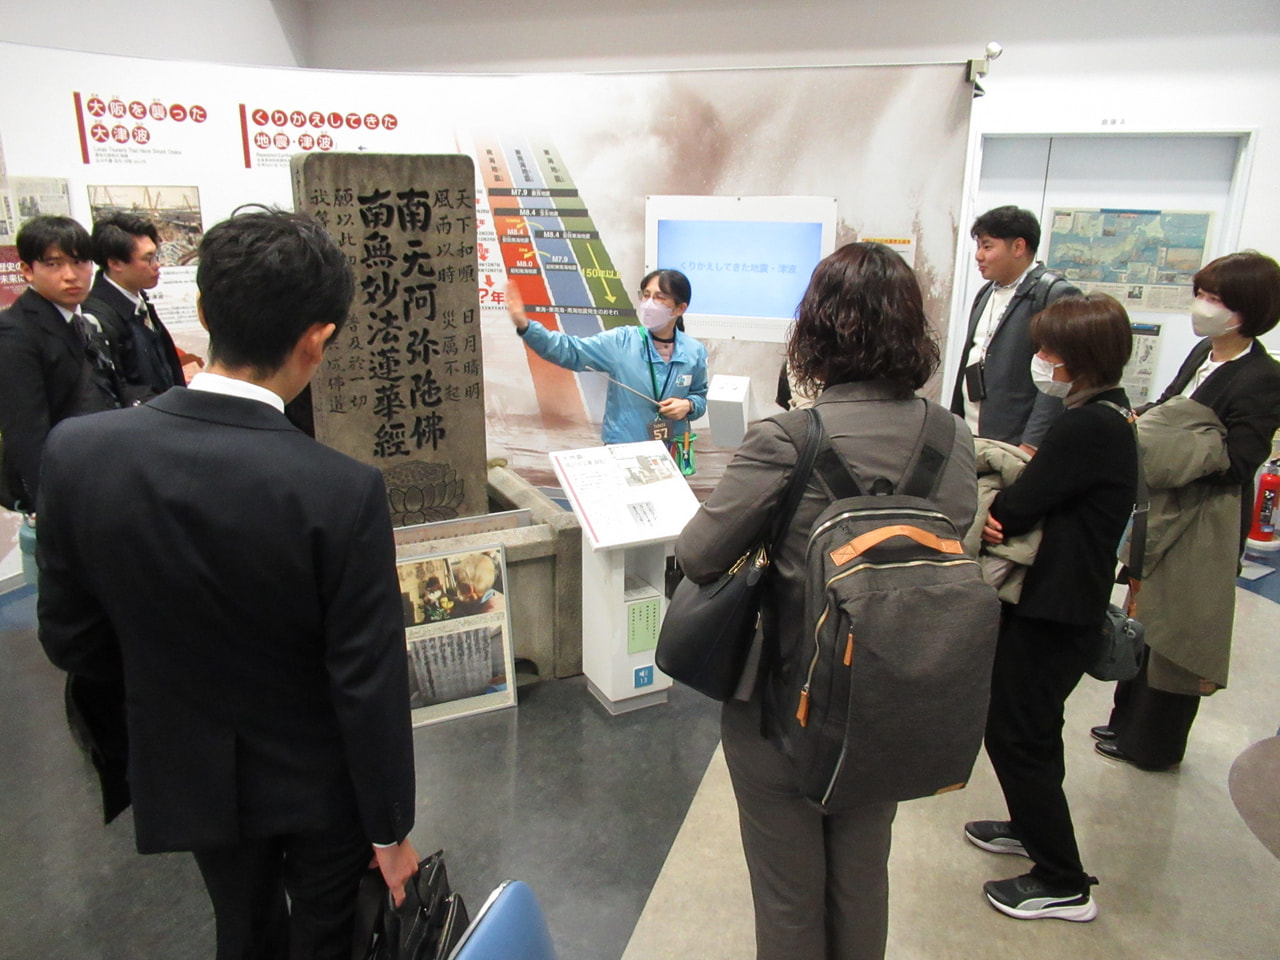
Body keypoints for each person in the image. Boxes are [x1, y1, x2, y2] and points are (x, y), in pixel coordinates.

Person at [36, 207, 419, 959]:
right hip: (320, 781)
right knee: (328, 932)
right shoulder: (339, 490)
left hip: (185, 763)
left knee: (239, 925)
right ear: (317, 339)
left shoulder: (77, 454)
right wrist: (389, 827)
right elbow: (366, 680)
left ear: (206, 312)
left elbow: (72, 639)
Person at [676, 243, 977, 960]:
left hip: (784, 702)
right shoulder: (951, 437)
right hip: (889, 698)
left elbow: (697, 555)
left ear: (815, 328)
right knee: (862, 880)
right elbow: (954, 537)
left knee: (789, 895)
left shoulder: (789, 439)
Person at [965, 293, 1137, 922]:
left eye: (1047, 350)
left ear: (1077, 357)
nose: (1040, 359)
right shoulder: (1107, 414)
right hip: (1065, 601)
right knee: (1034, 724)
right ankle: (1028, 825)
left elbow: (1018, 508)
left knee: (1015, 730)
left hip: (1055, 608)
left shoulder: (1088, 426)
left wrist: (999, 508)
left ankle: (1063, 879)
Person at [1093, 250, 1280, 770]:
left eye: (1214, 298)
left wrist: (1163, 444)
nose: (1202, 306)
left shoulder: (1262, 376)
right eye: (1200, 294)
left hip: (1204, 518)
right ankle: (1125, 719)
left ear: (1246, 309)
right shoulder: (1204, 352)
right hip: (1162, 504)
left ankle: (1152, 745)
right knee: (1143, 615)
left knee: (1178, 631)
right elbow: (1171, 405)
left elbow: (1238, 460)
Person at [0, 215, 122, 512]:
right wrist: (52, 508)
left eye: (79, 262)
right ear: (27, 271)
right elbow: (27, 433)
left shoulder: (81, 320)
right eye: (54, 264)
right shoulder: (15, 332)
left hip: (96, 472)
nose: (71, 275)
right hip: (65, 489)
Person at [507, 268, 708, 445]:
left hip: (671, 451)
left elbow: (699, 396)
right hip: (624, 450)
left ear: (679, 308)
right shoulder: (621, 341)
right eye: (646, 295)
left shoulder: (694, 351)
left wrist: (688, 406)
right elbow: (571, 351)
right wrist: (526, 327)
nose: (649, 304)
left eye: (659, 297)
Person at [950, 206, 1080, 452]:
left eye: (987, 247)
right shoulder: (986, 292)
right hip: (972, 434)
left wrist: (1032, 443)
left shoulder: (1052, 293)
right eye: (978, 246)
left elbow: (1057, 378)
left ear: (1018, 247)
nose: (978, 256)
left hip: (1016, 442)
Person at [86, 212, 186, 402]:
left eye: (156, 256)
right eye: (148, 259)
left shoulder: (139, 301)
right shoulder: (96, 318)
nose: (157, 265)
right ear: (115, 263)